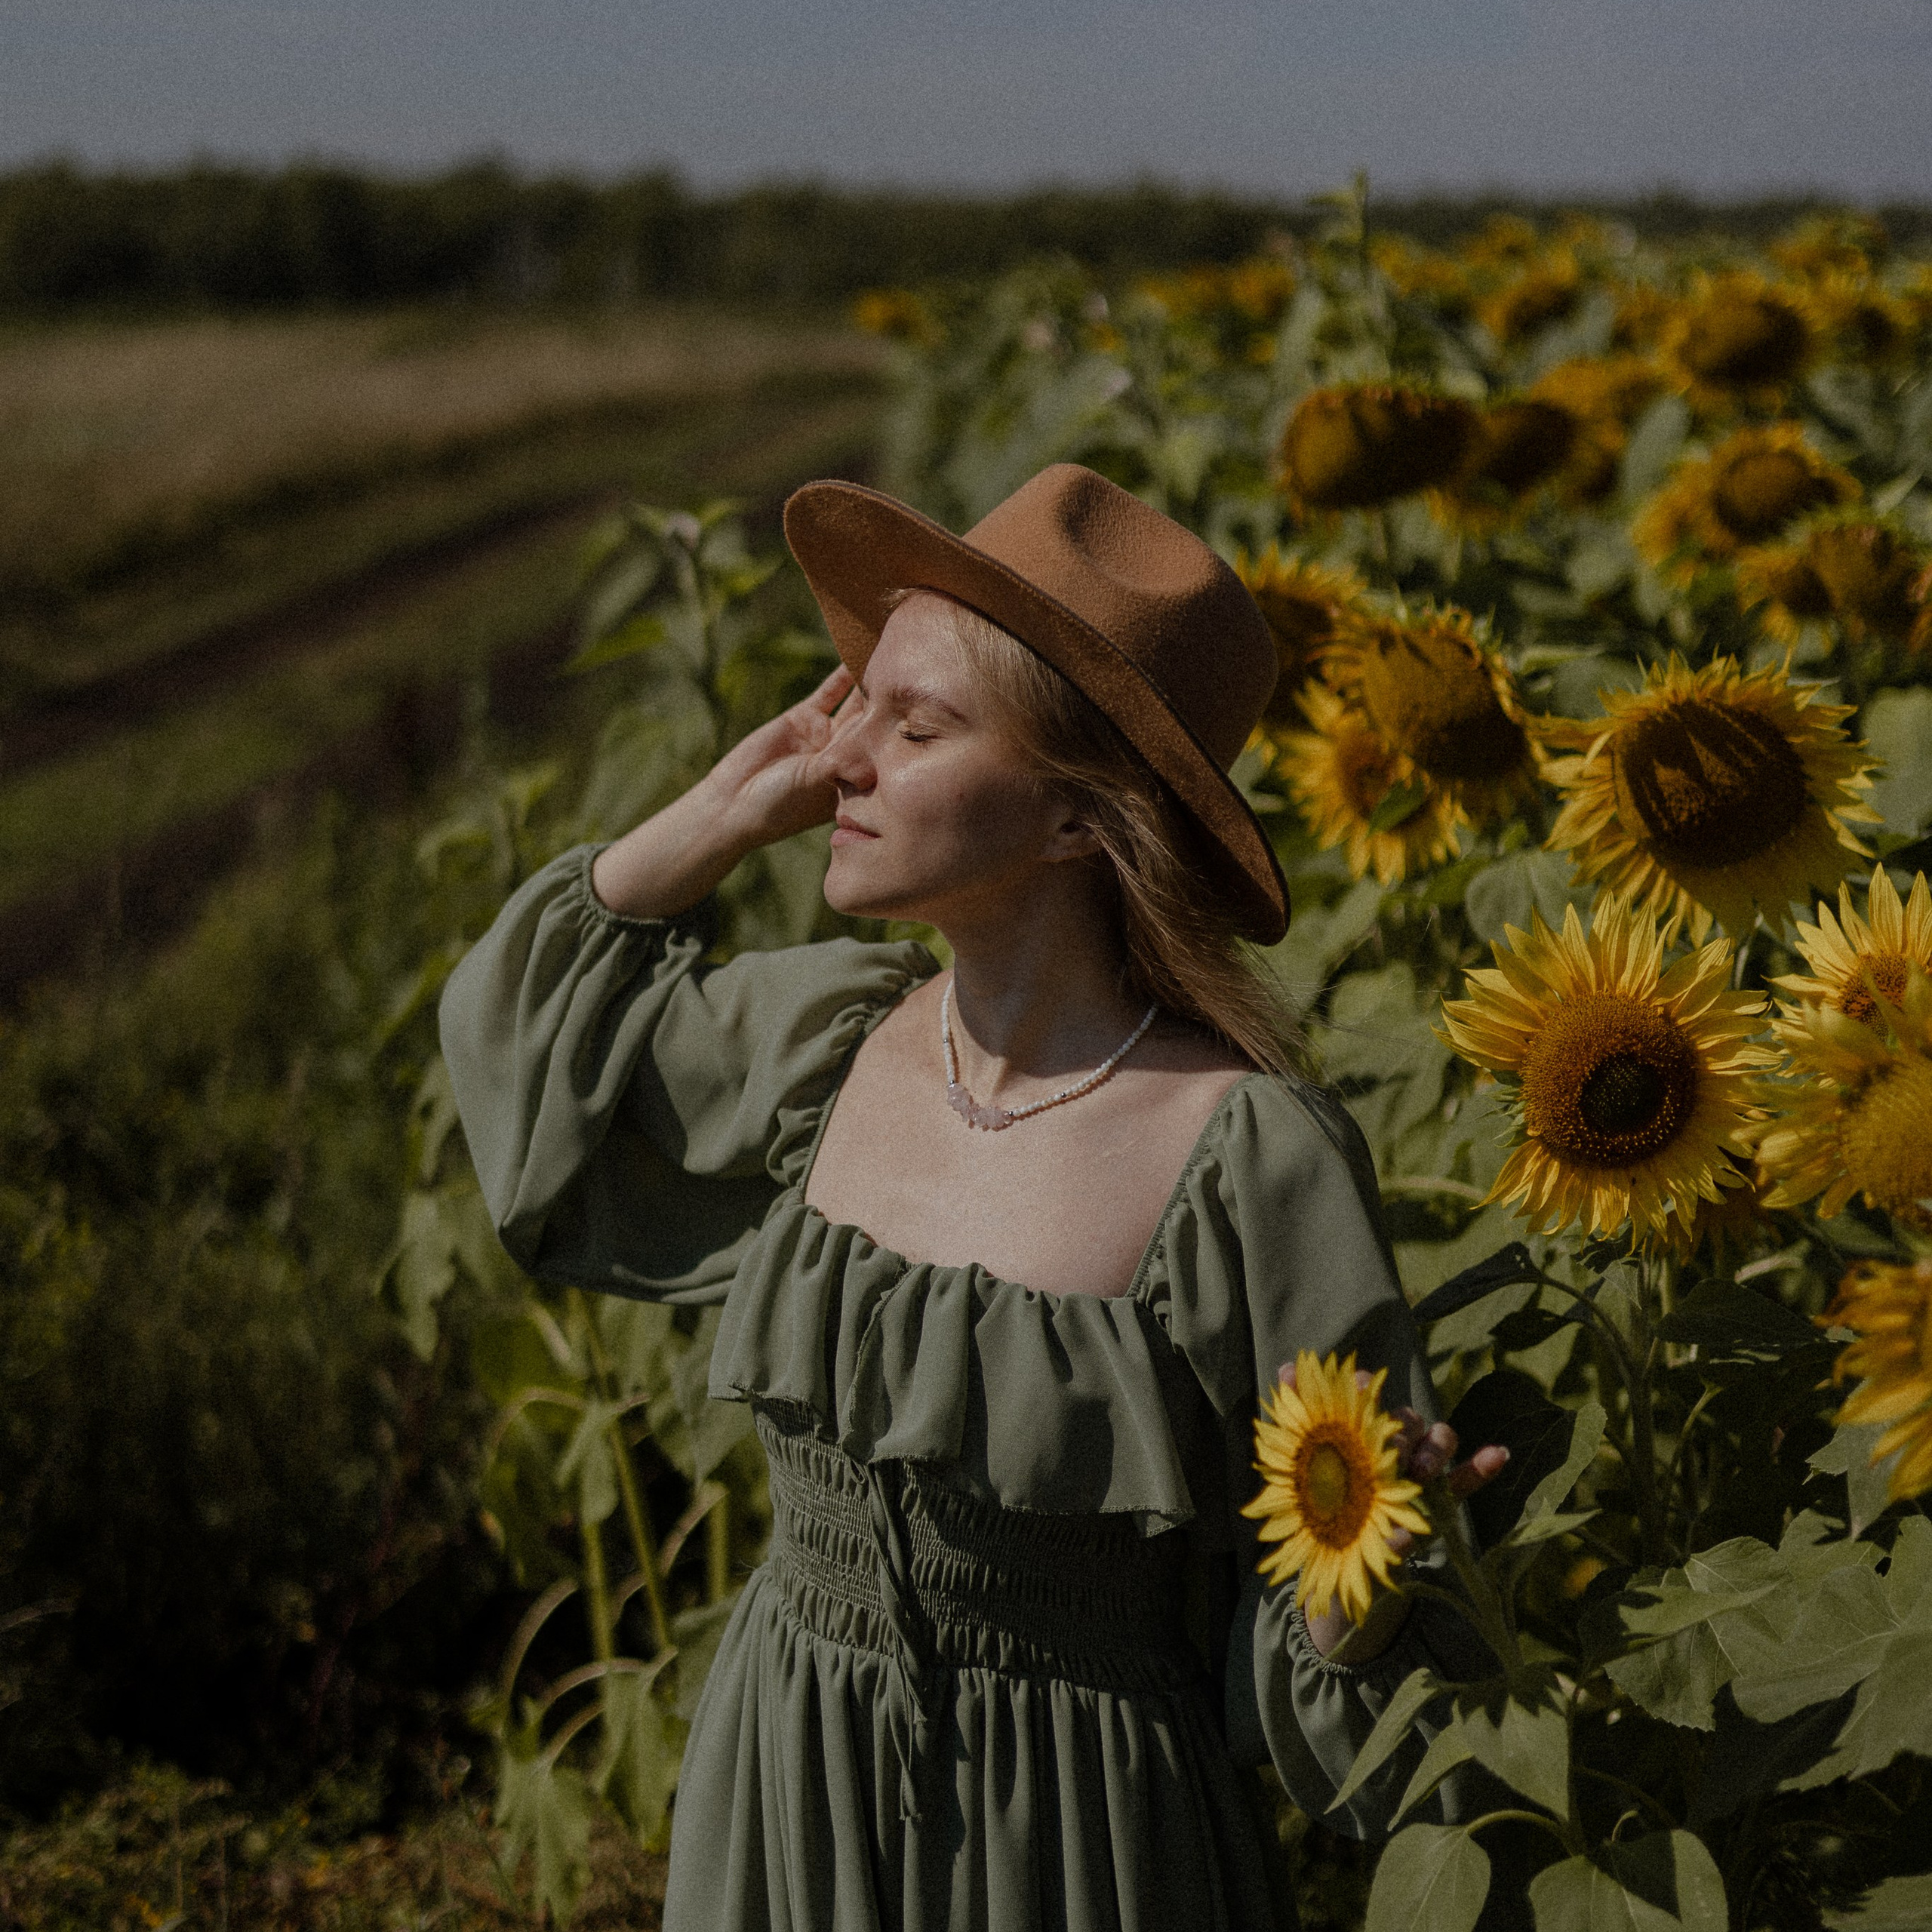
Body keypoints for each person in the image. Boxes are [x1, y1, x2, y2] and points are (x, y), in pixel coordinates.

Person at [441, 463, 1506, 1931]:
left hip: (1071, 1845)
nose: (842, 759)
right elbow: (532, 1064)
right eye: (852, 700)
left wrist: (1369, 1569)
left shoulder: (1245, 1156)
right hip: (783, 1791)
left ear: (1080, 821)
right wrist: (713, 811)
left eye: (916, 723)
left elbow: (1358, 1658)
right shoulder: (826, 1044)